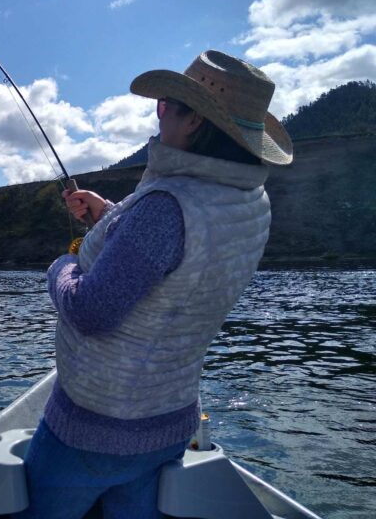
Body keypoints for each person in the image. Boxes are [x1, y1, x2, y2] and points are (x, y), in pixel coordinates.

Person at [15, 50, 293, 519]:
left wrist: (61, 267)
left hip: (97, 428)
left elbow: (91, 310)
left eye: (166, 104)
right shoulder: (249, 202)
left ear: (194, 123)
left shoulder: (165, 208)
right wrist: (109, 214)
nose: (158, 112)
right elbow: (182, 255)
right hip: (169, 421)